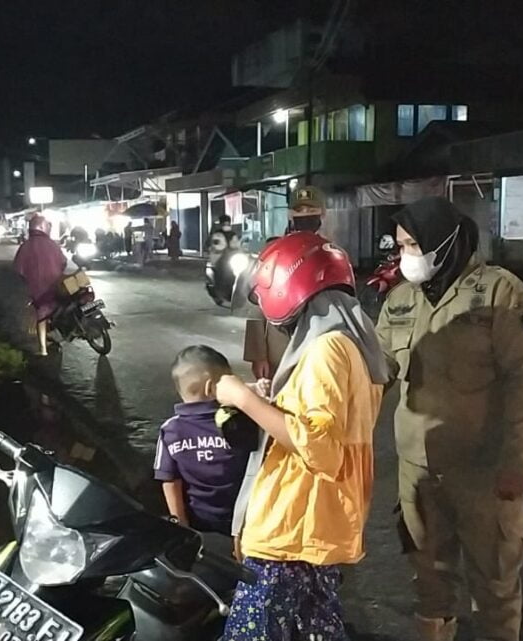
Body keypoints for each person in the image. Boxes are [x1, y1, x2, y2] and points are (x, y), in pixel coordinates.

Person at [375, 197, 523, 641]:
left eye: (413, 245)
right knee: (428, 581)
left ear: (443, 242)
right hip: (417, 470)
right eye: (401, 246)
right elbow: (377, 372)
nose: (405, 255)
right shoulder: (401, 299)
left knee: (494, 584)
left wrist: (516, 463)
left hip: (482, 473)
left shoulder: (500, 293)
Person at [216, 232, 388, 641]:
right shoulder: (353, 344)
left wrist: (241, 397)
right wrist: (270, 402)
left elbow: (321, 449)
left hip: (291, 525)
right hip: (316, 526)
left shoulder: (326, 351)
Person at [153, 345, 256, 535]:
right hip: (246, 519)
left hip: (197, 520)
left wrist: (180, 523)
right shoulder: (240, 421)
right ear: (211, 388)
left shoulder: (171, 429)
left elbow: (169, 479)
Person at [243, 185, 327, 379]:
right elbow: (257, 304)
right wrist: (258, 355)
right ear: (290, 214)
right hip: (279, 347)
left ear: (322, 214)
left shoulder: (330, 253)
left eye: (311, 210)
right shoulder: (274, 251)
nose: (305, 215)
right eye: (299, 210)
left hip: (319, 347)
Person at [14, 213, 67, 356]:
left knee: (41, 316)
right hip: (57, 285)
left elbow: (19, 269)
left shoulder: (25, 246)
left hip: (39, 289)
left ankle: (43, 349)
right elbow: (63, 262)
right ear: (42, 227)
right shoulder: (52, 244)